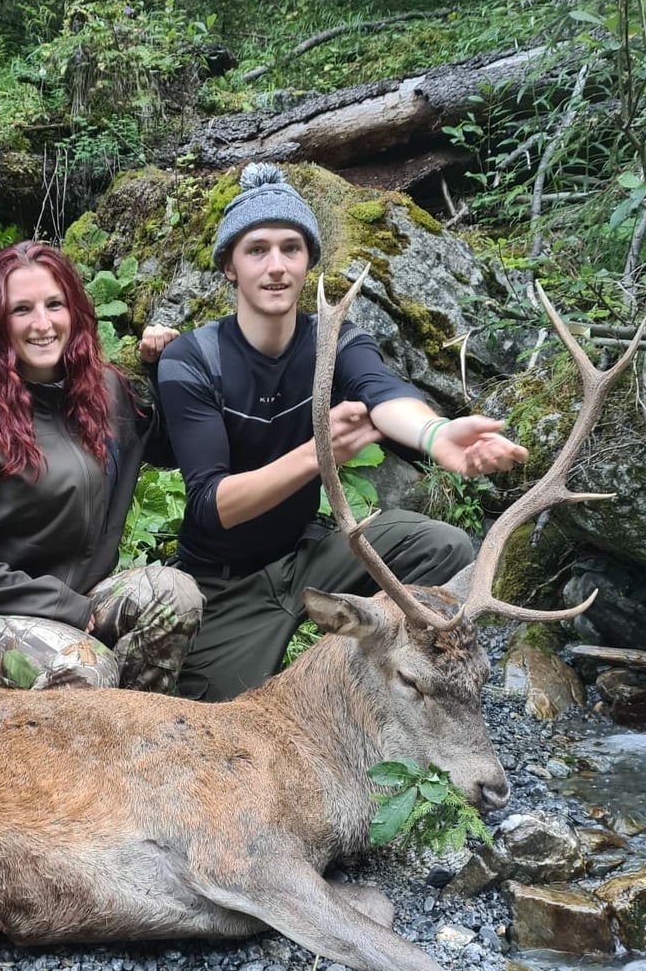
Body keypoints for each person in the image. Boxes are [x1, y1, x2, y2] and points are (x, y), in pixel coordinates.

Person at [139, 163, 529, 702]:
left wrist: (436, 435)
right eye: (257, 250)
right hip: (223, 582)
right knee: (223, 719)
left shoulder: (334, 338)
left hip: (307, 556)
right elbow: (210, 504)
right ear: (229, 265)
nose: (276, 266)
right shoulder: (192, 359)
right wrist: (318, 453)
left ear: (309, 261)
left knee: (443, 547)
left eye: (291, 249)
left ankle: (370, 687)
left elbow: (382, 394)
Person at [0, 241, 202, 692]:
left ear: (75, 311)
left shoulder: (104, 391)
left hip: (79, 599)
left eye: (55, 304)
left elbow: (170, 448)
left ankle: (130, 738)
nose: (42, 324)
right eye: (22, 310)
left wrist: (161, 368)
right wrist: (60, 605)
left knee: (177, 596)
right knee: (86, 669)